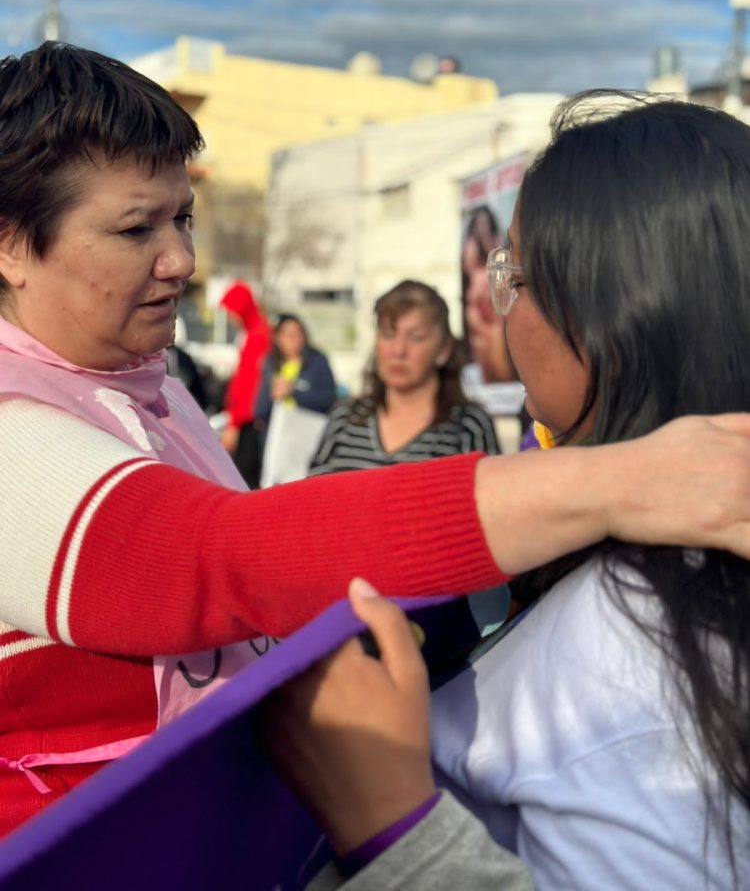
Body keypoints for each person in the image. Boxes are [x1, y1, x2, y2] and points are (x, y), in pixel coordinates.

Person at [1, 51, 750, 847]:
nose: (181, 260)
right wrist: (620, 482)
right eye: (134, 228)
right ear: (10, 245)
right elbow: (216, 557)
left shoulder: (152, 388)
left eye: (182, 217)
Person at [264, 95, 750, 889]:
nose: (502, 310)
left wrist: (389, 824)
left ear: (616, 319)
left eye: (513, 276)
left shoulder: (635, 652)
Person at [309, 280, 499, 476]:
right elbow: (311, 495)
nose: (398, 351)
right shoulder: (345, 417)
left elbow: (490, 500)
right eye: (388, 334)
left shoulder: (468, 426)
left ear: (444, 348)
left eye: (416, 337)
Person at [218, 279, 271, 488]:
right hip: (246, 419)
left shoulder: (257, 336)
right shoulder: (253, 333)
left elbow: (249, 386)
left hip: (248, 422)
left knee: (243, 481)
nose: (230, 317)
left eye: (231, 311)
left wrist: (235, 424)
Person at [461, 205, 516, 384]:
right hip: (480, 320)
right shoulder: (471, 252)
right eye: (478, 226)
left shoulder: (500, 256)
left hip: (496, 322)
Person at [255, 313, 336, 428]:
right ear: (277, 338)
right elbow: (260, 410)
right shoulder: (270, 363)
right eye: (288, 335)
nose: (294, 339)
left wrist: (293, 392)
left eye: (298, 334)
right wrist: (272, 394)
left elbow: (329, 399)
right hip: (277, 433)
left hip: (307, 430)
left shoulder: (317, 361)